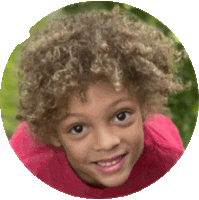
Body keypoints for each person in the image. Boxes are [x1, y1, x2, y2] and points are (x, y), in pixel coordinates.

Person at [9, 5, 191, 198]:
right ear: (54, 135)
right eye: (78, 128)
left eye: (121, 116)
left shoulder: (166, 158)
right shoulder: (29, 164)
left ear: (144, 107)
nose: (107, 143)